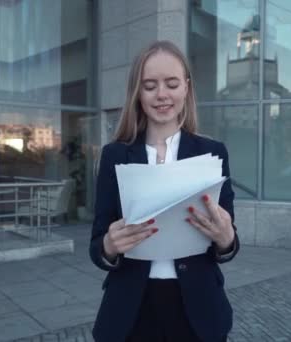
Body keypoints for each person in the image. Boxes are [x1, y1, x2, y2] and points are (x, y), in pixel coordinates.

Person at [90, 40, 240, 342]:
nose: (162, 94)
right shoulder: (115, 156)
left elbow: (227, 241)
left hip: (198, 309)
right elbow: (97, 246)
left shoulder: (212, 153)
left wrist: (226, 240)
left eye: (171, 84)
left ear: (186, 87)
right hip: (131, 310)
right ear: (138, 93)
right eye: (150, 86)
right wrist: (109, 244)